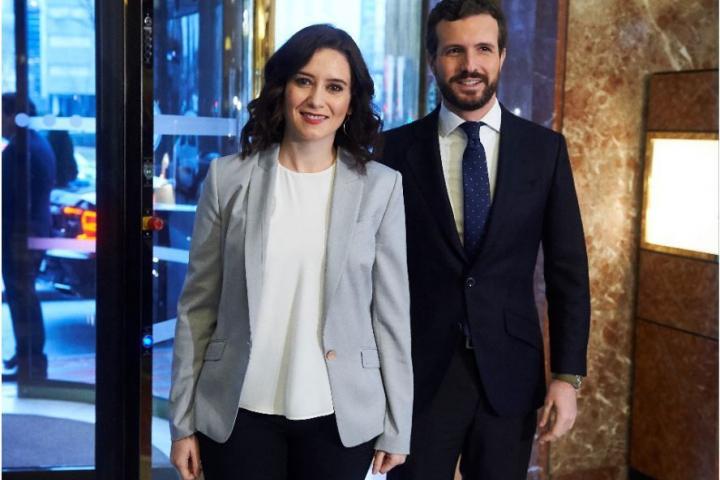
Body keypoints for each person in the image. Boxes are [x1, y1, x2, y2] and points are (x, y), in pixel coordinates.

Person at [169, 24, 412, 480]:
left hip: (339, 416)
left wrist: (399, 426)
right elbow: (197, 309)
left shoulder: (381, 188)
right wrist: (182, 421)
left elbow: (391, 317)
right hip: (237, 412)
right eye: (304, 81)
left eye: (334, 87)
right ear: (283, 89)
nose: (317, 100)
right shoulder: (227, 179)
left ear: (351, 102)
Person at [380, 1, 591, 479]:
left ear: (502, 56)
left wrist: (566, 376)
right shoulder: (392, 152)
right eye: (454, 51)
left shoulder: (544, 150)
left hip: (511, 376)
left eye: (483, 49)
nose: (469, 64)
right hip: (419, 376)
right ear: (432, 59)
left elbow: (568, 272)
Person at [2, 93, 56, 380]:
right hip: (35, 231)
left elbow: (9, 199)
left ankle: (30, 360)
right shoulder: (39, 143)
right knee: (26, 296)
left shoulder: (18, 151)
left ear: (13, 115)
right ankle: (27, 355)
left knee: (21, 297)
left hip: (21, 235)